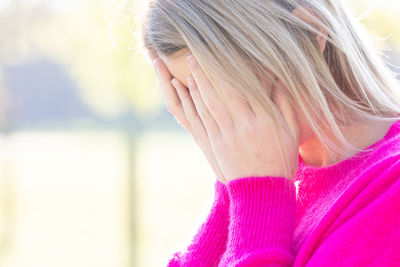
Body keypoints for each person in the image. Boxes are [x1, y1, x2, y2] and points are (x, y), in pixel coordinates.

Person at [140, 0, 400, 266]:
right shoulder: (268, 167)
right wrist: (232, 189)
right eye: (196, 99)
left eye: (229, 94)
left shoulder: (391, 191)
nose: (220, 122)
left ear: (308, 38)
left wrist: (257, 193)